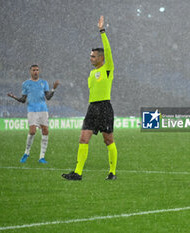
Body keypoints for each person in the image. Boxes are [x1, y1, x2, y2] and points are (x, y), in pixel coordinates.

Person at [62, 15, 117, 181]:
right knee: (83, 138)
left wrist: (102, 31)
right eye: (90, 56)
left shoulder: (108, 68)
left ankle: (112, 172)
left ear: (101, 58)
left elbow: (108, 50)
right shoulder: (92, 73)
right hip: (92, 108)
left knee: (108, 140)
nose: (90, 58)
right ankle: (78, 172)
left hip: (105, 107)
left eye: (93, 56)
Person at [7, 65, 59, 164]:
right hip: (32, 110)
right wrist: (14, 97)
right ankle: (26, 152)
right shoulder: (26, 84)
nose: (35, 72)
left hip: (43, 110)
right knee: (32, 131)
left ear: (39, 71)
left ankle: (41, 157)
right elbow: (23, 100)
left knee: (45, 131)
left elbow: (48, 97)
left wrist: (53, 89)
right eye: (33, 70)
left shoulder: (44, 83)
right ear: (30, 72)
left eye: (37, 70)